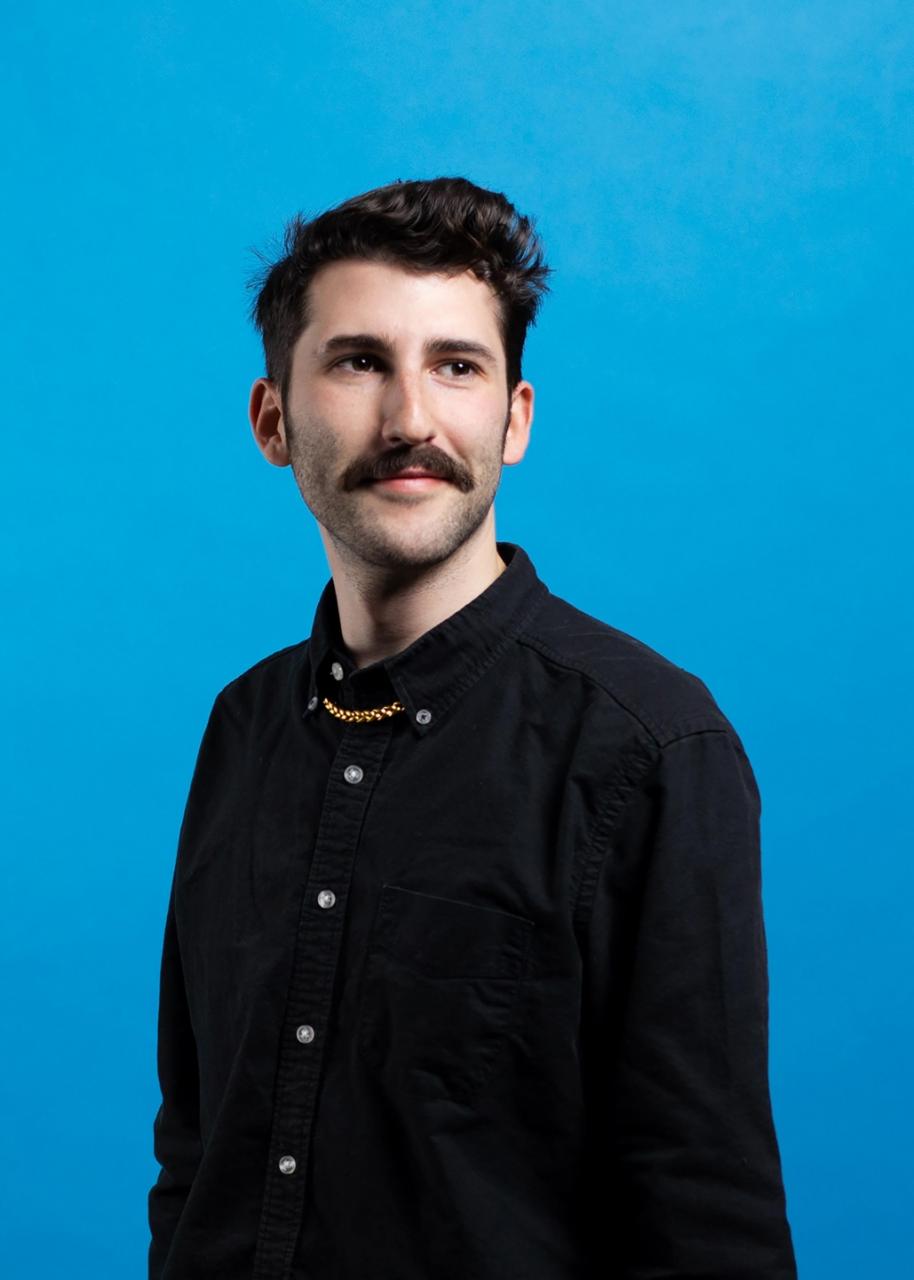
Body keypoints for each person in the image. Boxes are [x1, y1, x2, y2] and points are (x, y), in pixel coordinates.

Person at [148, 176, 797, 1279]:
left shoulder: (650, 747)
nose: (411, 420)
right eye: (358, 361)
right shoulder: (244, 725)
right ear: (271, 419)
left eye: (457, 365)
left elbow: (704, 1211)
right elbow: (197, 1144)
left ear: (514, 416)